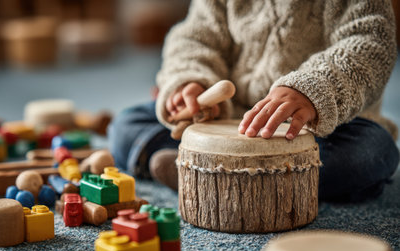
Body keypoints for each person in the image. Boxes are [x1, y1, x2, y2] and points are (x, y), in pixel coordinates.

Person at [109, 0, 399, 202]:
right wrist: (189, 81)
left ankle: (205, 175)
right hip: (230, 120)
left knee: (373, 151)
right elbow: (195, 38)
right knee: (126, 125)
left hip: (315, 130)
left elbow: (370, 41)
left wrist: (312, 89)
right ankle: (254, 181)